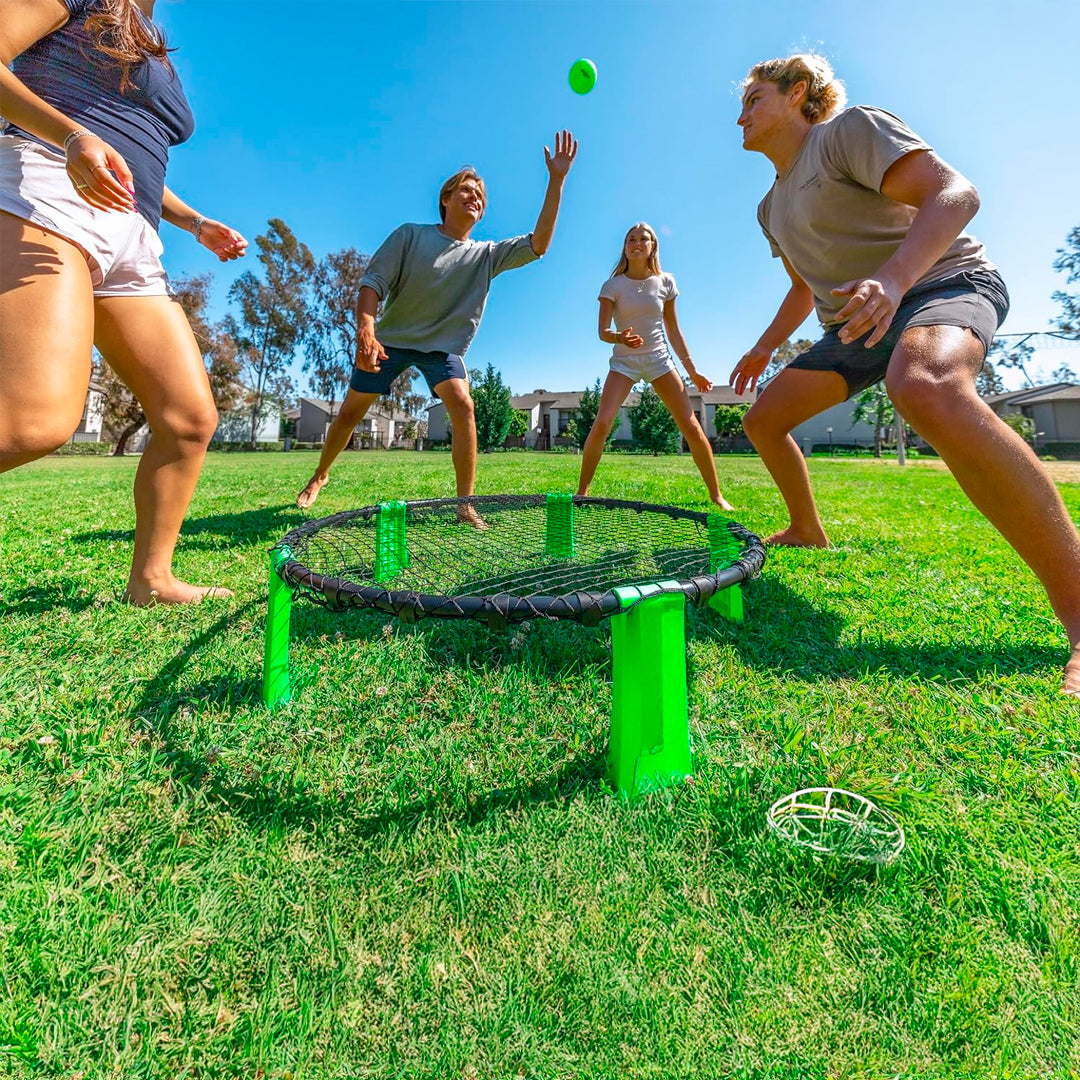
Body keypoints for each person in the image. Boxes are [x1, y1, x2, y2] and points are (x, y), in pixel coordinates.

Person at [728, 53, 1080, 696]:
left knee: (925, 384)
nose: (741, 113)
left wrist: (894, 279)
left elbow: (956, 194)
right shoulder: (769, 208)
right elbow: (804, 290)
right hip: (859, 319)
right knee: (763, 419)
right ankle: (806, 528)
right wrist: (762, 348)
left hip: (938, 281)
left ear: (797, 92)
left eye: (754, 98)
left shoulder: (847, 132)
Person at [0, 0, 248, 604]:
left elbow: (131, 157)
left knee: (188, 419)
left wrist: (194, 223)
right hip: (45, 186)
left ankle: (152, 579)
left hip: (130, 231)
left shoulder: (151, 35)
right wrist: (71, 137)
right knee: (35, 421)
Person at [296, 133, 579, 525]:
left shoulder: (485, 255)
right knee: (349, 414)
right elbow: (371, 283)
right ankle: (320, 474)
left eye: (479, 195)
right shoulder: (411, 235)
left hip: (443, 349)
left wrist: (556, 180)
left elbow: (539, 244)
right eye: (466, 190)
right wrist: (366, 328)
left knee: (463, 405)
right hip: (390, 340)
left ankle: (465, 505)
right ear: (445, 199)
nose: (474, 197)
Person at [576, 222, 734, 511]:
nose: (637, 242)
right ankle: (582, 492)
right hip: (624, 362)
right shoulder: (613, 286)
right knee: (602, 423)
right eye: (631, 239)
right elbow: (602, 331)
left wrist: (693, 370)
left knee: (690, 425)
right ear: (625, 247)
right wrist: (619, 337)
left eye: (644, 238)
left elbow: (674, 330)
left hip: (660, 360)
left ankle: (717, 495)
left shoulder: (666, 282)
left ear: (653, 246)